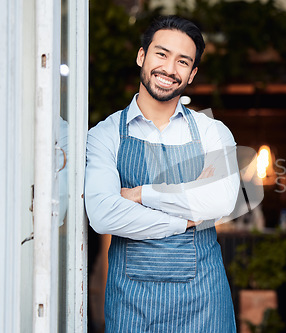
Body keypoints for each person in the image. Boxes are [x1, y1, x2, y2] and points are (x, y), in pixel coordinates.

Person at [84, 15, 240, 332]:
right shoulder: (106, 134)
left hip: (204, 302)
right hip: (132, 303)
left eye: (183, 62)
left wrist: (143, 194)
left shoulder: (212, 132)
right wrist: (184, 219)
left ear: (192, 74)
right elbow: (103, 215)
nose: (169, 69)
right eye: (161, 54)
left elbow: (221, 202)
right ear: (142, 56)